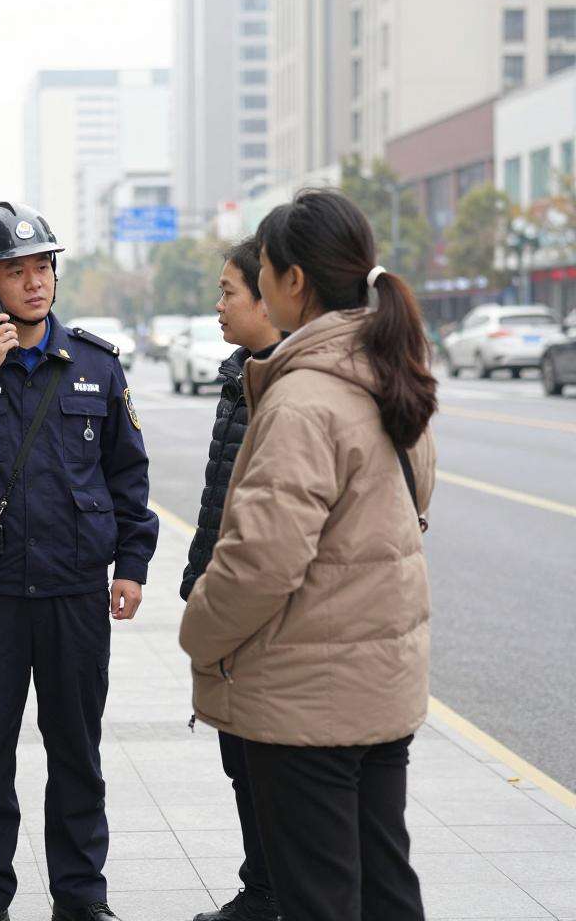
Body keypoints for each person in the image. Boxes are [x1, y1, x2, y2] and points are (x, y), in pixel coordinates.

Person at [179, 189, 437, 921]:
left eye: (262, 268)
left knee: (320, 900)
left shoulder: (305, 399)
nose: (257, 282)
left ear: (295, 282)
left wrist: (198, 630)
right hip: (380, 684)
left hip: (307, 701)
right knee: (385, 887)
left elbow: (262, 560)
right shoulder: (390, 369)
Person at [0, 201, 159, 921]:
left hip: (75, 592)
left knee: (77, 752)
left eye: (42, 266)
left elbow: (128, 478)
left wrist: (132, 565)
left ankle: (81, 898)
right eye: (17, 270)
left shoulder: (96, 366)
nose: (36, 282)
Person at [179, 236, 282, 921]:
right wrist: (194, 576)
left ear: (270, 296)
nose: (218, 305)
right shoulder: (236, 374)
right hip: (222, 595)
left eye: (228, 292)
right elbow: (218, 498)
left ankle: (276, 892)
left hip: (262, 614)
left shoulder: (287, 389)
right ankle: (262, 886)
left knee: (269, 761)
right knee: (238, 757)